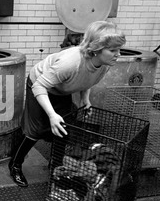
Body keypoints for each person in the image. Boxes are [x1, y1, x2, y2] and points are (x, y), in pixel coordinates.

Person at [8, 21, 126, 187]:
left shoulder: (104, 64)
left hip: (61, 89)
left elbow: (87, 80)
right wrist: (51, 115)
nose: (117, 54)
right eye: (112, 50)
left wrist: (85, 99)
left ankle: (56, 166)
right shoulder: (70, 62)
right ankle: (15, 165)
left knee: (63, 129)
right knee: (35, 129)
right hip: (40, 85)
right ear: (96, 49)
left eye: (118, 49)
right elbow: (39, 86)